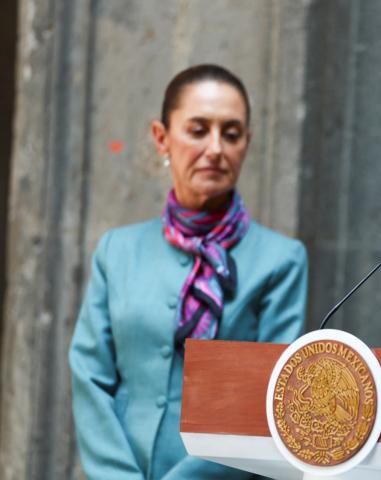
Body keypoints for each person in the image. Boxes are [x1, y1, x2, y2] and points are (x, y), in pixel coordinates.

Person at [69, 64, 307, 479]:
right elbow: (89, 376)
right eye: (198, 130)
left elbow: (268, 399)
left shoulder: (280, 260)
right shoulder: (118, 250)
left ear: (247, 144)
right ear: (162, 138)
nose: (215, 148)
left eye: (231, 134)